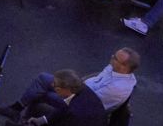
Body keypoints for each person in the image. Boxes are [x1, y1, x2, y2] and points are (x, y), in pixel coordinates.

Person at [9, 48, 140, 118]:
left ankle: (25, 124)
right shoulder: (115, 68)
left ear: (124, 67)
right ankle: (18, 108)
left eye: (115, 58)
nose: (111, 58)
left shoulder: (117, 88)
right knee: (43, 78)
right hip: (79, 89)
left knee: (44, 93)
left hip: (79, 106)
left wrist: (64, 90)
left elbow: (87, 102)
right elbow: (95, 77)